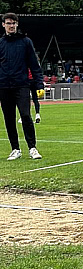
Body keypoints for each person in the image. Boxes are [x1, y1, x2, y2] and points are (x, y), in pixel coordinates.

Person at [0, 13, 44, 160]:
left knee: (25, 115)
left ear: (17, 24)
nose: (11, 26)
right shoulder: (0, 43)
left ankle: (32, 148)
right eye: (8, 23)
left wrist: (39, 84)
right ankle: (15, 149)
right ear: (3, 25)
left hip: (22, 85)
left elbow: (34, 64)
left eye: (13, 23)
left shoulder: (25, 42)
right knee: (9, 118)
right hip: (4, 86)